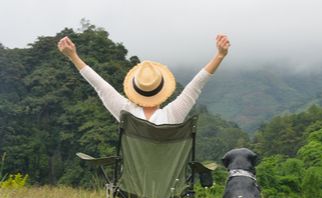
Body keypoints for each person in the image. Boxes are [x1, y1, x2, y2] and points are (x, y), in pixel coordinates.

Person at [57, 34, 230, 124]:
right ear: (162, 90)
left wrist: (73, 55)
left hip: (132, 185)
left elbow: (100, 86)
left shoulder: (126, 113)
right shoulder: (173, 114)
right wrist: (220, 55)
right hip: (168, 185)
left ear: (135, 90)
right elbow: (196, 85)